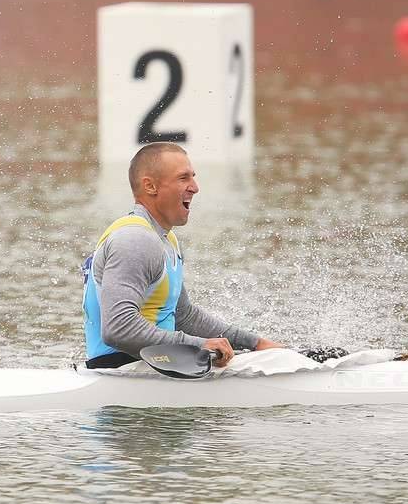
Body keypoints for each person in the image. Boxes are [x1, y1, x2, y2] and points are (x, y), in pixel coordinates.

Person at [83, 142, 282, 369]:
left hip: (155, 365)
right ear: (150, 186)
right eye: (183, 178)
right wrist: (199, 345)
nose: (195, 187)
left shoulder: (166, 241)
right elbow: (119, 328)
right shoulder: (135, 240)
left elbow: (184, 317)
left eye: (193, 177)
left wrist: (255, 343)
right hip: (120, 370)